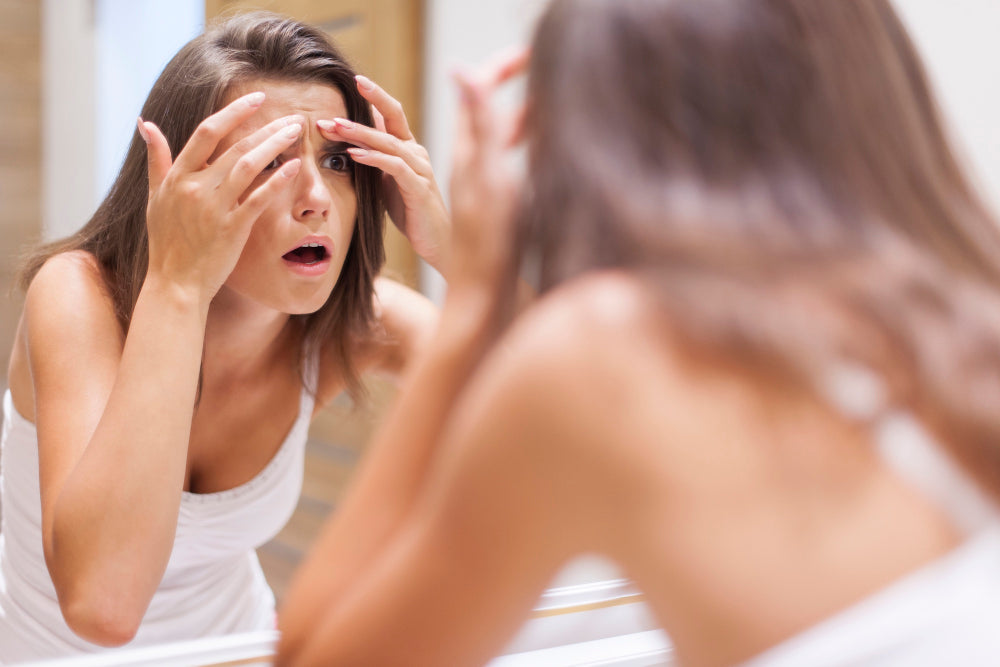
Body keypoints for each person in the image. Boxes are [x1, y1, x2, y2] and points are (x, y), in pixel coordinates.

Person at [275, 0, 1000, 664]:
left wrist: (476, 296)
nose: (312, 197)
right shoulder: (967, 307)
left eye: (335, 162)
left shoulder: (596, 354)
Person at [0, 11, 450, 661]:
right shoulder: (78, 295)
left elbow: (572, 418)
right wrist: (179, 284)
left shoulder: (350, 324)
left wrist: (460, 250)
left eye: (335, 160)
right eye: (268, 161)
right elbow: (103, 603)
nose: (316, 197)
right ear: (183, 188)